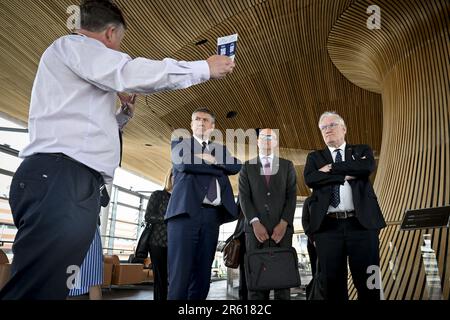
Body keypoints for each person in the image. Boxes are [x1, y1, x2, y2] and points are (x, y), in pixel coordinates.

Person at [0, 0, 235, 300]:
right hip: (62, 179)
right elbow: (130, 71)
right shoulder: (75, 46)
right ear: (110, 34)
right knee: (36, 289)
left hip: (63, 179)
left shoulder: (70, 63)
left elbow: (83, 126)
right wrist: (204, 67)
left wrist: (122, 117)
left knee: (50, 285)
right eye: (118, 44)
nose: (115, 52)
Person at [303, 111, 386, 301]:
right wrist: (349, 172)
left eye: (331, 125)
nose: (327, 130)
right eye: (323, 128)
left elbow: (366, 168)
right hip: (327, 228)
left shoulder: (361, 150)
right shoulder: (314, 157)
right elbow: (310, 178)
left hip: (362, 225)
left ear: (344, 129)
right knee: (333, 287)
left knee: (369, 283)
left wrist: (330, 169)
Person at [166, 108, 241, 300]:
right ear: (191, 125)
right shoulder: (180, 143)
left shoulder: (220, 150)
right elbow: (185, 164)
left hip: (211, 217)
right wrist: (218, 167)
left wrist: (211, 160)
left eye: (205, 120)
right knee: (179, 275)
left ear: (213, 126)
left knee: (202, 275)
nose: (200, 122)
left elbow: (236, 166)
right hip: (185, 215)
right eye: (196, 119)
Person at [68, 93, 137, 300]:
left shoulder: (94, 150)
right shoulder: (70, 136)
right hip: (68, 215)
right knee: (67, 277)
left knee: (91, 277)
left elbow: (106, 133)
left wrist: (123, 115)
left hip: (87, 219)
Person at [239, 129, 297, 300]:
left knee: (283, 281)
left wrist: (284, 223)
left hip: (282, 231)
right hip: (255, 232)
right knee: (256, 282)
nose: (266, 140)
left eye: (271, 137)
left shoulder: (287, 165)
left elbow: (291, 196)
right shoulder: (247, 167)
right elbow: (244, 197)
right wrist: (255, 223)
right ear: (257, 142)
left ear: (276, 142)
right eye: (263, 137)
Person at [136, 168, 172, 300]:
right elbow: (148, 216)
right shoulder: (158, 195)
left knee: (174, 279)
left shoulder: (182, 197)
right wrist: (168, 218)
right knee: (161, 279)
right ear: (170, 177)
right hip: (158, 243)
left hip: (177, 243)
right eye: (175, 175)